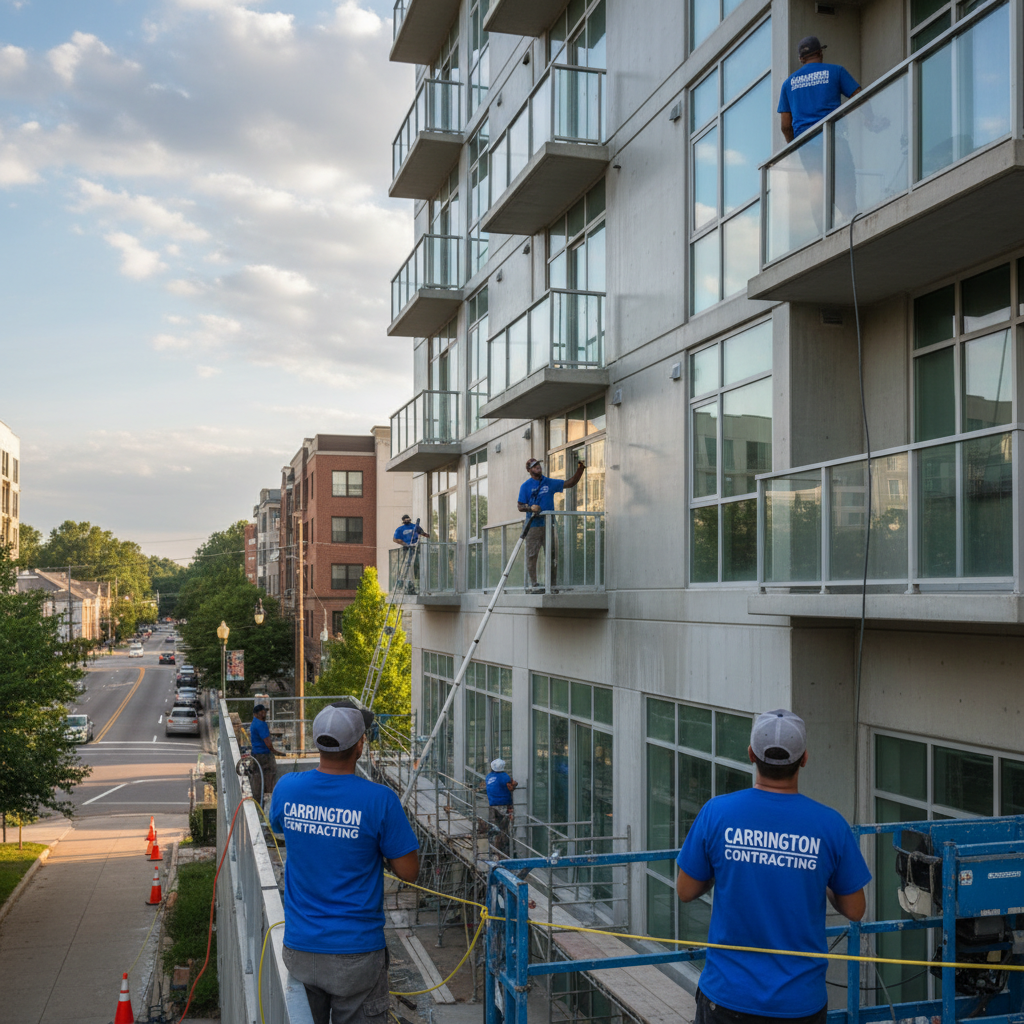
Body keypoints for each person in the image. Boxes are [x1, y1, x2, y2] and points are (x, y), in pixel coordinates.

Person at [675, 709, 871, 1023]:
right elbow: (855, 908)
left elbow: (685, 890)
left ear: (751, 754)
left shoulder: (717, 813)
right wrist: (819, 875)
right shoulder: (830, 825)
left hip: (728, 997)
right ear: (804, 759)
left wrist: (728, 866)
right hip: (799, 1004)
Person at [270, 702, 420, 1024]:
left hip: (301, 950)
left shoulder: (287, 788)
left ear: (317, 743)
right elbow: (409, 871)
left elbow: (280, 826)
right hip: (356, 956)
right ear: (360, 746)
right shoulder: (380, 801)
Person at [778, 37, 863, 229]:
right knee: (844, 176)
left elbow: (785, 125)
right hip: (835, 136)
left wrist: (793, 145)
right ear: (820, 53)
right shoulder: (836, 71)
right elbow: (859, 96)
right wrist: (870, 121)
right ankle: (850, 218)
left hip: (806, 143)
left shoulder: (789, 84)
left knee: (816, 180)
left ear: (801, 59)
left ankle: (822, 229)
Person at [517, 457, 585, 593]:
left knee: (552, 556)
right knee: (532, 556)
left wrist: (580, 469)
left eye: (538, 465)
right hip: (533, 526)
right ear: (529, 470)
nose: (538, 467)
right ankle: (534, 585)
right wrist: (531, 508)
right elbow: (520, 506)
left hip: (549, 525)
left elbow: (569, 483)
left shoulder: (548, 482)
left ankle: (552, 586)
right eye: (535, 466)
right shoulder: (525, 486)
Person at [249, 703, 285, 807]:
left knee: (257, 778)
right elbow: (268, 743)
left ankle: (257, 803)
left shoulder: (254, 723)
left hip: (256, 754)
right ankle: (269, 803)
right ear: (256, 714)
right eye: (262, 712)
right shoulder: (261, 724)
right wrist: (276, 752)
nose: (264, 714)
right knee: (270, 776)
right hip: (264, 755)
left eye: (265, 712)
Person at [483, 758, 518, 854]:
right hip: (504, 805)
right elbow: (510, 787)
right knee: (505, 829)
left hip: (492, 805)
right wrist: (515, 784)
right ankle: (505, 851)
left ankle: (493, 850)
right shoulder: (504, 776)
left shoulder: (489, 776)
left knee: (494, 828)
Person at [393, 515, 428, 594]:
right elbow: (395, 539)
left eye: (407, 519)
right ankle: (403, 581)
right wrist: (405, 544)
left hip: (415, 548)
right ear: (403, 521)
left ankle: (411, 583)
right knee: (406, 564)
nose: (407, 520)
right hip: (406, 548)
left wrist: (424, 535)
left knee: (412, 564)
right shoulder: (400, 529)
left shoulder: (414, 527)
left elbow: (423, 534)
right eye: (405, 519)